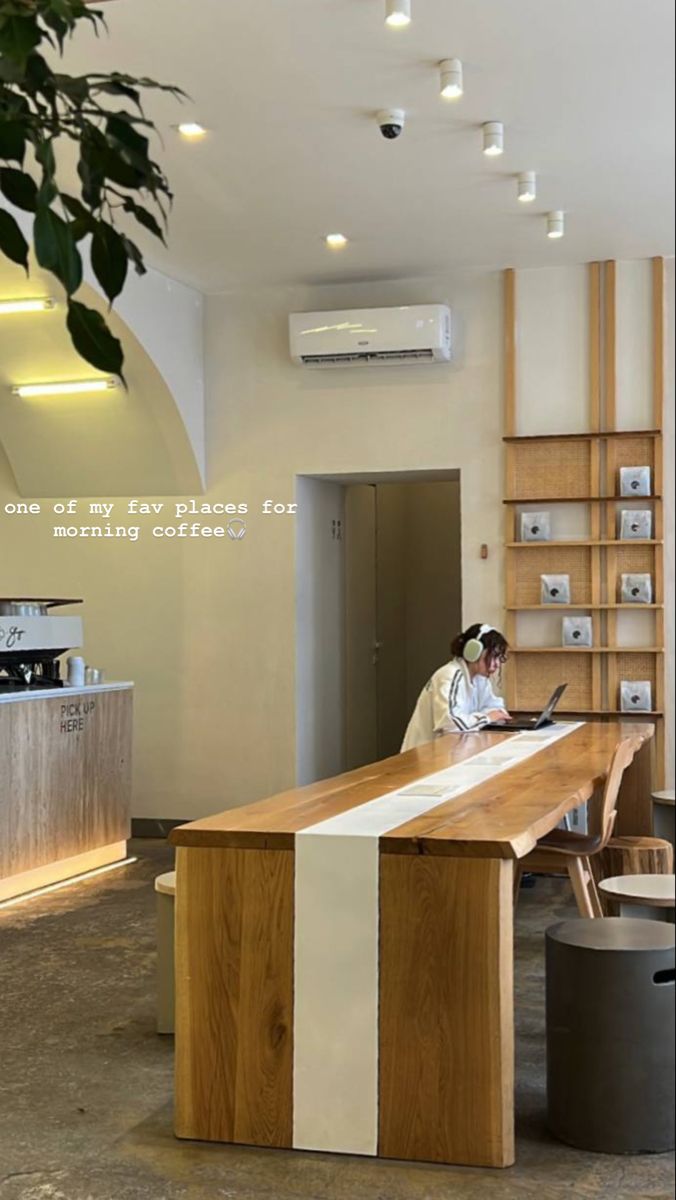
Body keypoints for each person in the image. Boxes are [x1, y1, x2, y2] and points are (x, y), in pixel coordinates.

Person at [401, 623, 510, 751]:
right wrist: (487, 718)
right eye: (494, 656)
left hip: (448, 752)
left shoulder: (480, 679)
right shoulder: (450, 675)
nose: (497, 664)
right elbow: (450, 724)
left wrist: (490, 716)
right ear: (474, 652)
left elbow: (496, 709)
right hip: (422, 758)